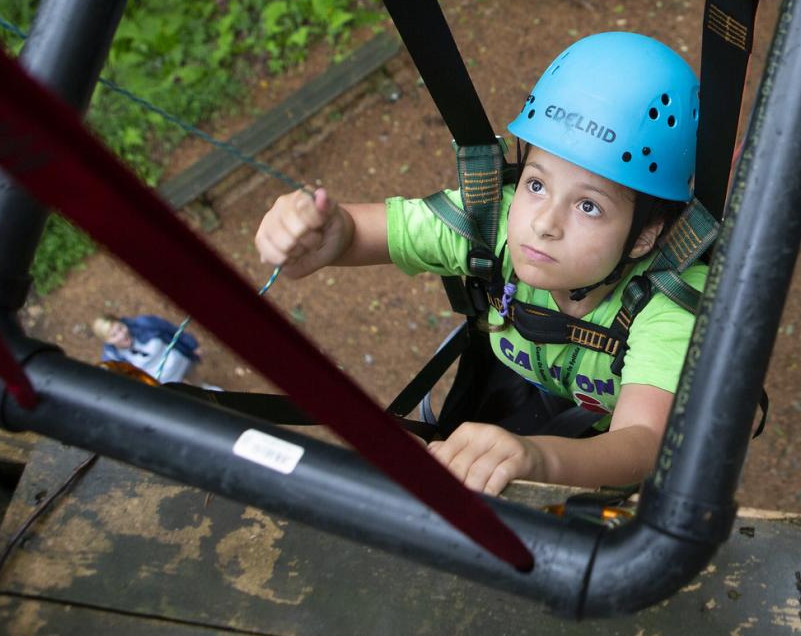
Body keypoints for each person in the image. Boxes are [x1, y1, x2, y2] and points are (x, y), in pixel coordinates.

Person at [253, 32, 706, 496]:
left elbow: (643, 446)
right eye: (536, 185)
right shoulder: (493, 223)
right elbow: (359, 232)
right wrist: (330, 234)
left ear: (646, 235)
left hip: (601, 441)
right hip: (518, 388)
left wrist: (538, 459)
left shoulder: (667, 303)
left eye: (588, 206)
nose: (544, 224)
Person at [92, 313, 199, 384]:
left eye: (120, 328)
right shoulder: (112, 361)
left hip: (181, 361)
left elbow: (171, 329)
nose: (121, 335)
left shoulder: (145, 323)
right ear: (107, 341)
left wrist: (192, 345)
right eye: (114, 335)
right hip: (166, 383)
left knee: (198, 384)